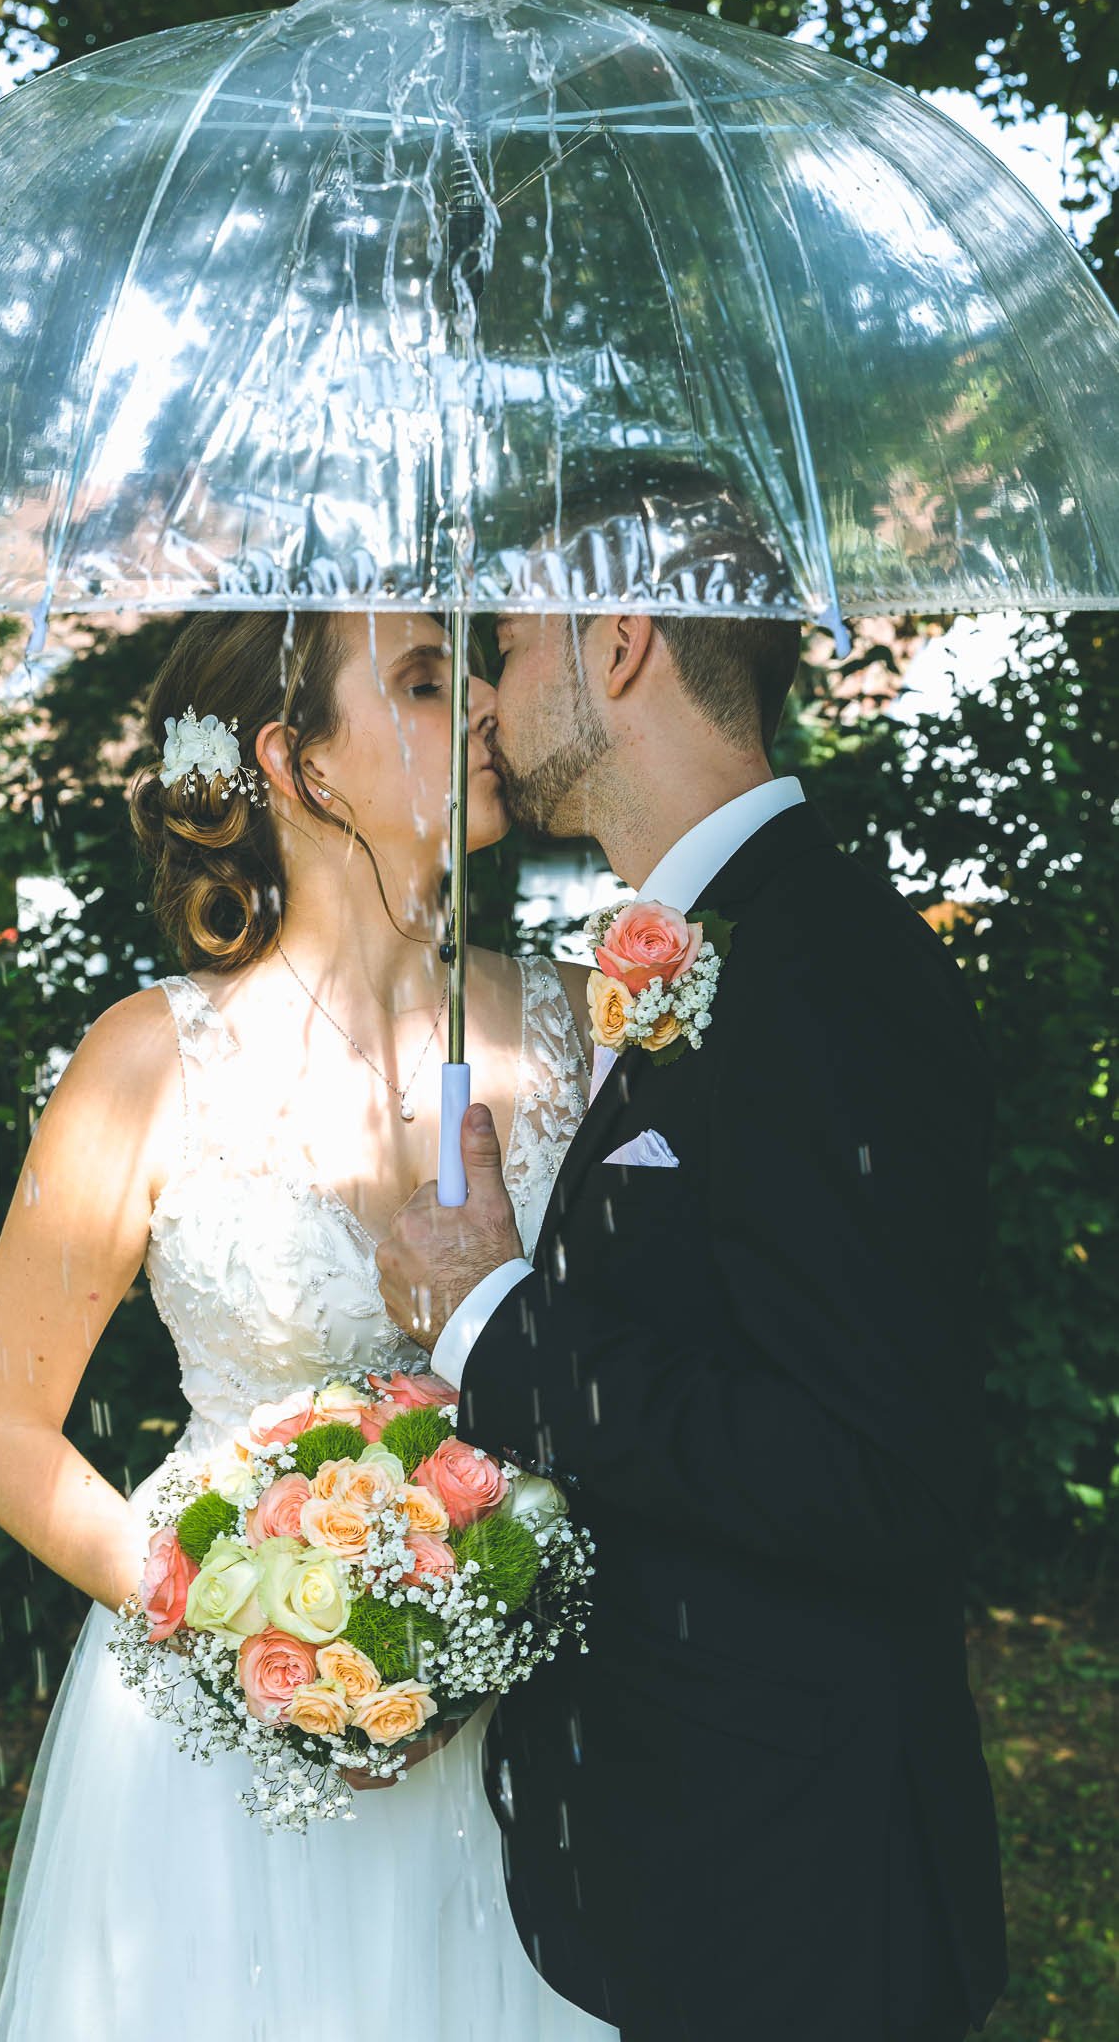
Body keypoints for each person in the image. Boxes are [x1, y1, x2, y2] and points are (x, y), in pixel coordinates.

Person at [376, 466, 1010, 2042]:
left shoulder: (824, 976)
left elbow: (873, 1472)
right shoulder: (718, 947)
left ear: (620, 645)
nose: (493, 695)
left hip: (800, 1902)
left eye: (514, 645)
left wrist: (496, 1325)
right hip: (695, 1877)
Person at [0, 607, 617, 2042]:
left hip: (536, 1740)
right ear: (296, 762)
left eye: (476, 667)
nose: (491, 703)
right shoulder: (151, 1059)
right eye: (430, 681)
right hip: (221, 1749)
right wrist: (237, 1628)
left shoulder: (579, 1029)